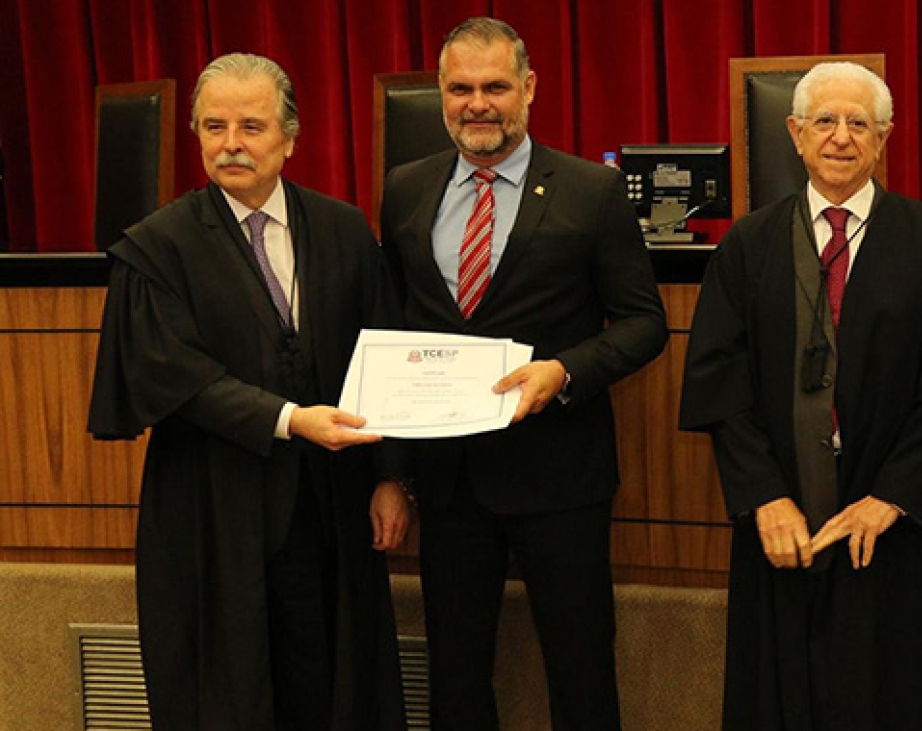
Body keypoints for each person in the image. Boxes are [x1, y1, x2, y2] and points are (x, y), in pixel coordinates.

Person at [88, 53, 409, 730]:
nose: (231, 143)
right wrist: (290, 418)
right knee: (228, 689)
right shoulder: (157, 248)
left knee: (331, 680)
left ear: (290, 138)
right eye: (214, 126)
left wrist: (391, 478)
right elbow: (172, 374)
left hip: (330, 505)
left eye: (251, 126)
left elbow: (383, 354)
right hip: (212, 509)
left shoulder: (344, 231)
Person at [679, 61, 922, 730]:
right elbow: (717, 381)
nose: (841, 137)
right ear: (795, 133)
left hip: (896, 527)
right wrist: (763, 495)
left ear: (884, 138)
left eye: (860, 123)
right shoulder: (748, 245)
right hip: (781, 523)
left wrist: (891, 498)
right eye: (825, 120)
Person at [379, 17, 668, 731]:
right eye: (460, 88)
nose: (478, 104)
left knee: (579, 667)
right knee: (455, 671)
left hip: (559, 475)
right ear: (441, 95)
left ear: (529, 89)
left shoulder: (590, 191)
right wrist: (389, 471)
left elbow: (644, 323)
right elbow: (387, 332)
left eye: (495, 87)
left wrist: (564, 371)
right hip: (448, 482)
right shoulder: (405, 190)